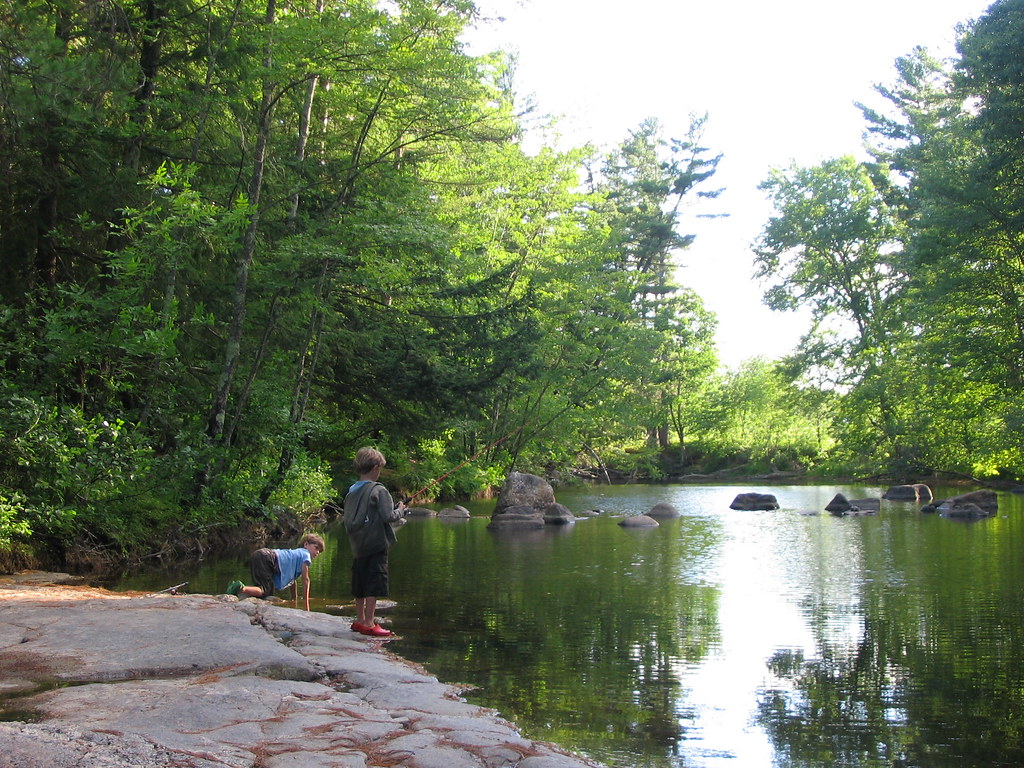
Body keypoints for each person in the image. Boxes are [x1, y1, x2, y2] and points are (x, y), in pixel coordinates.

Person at [343, 446, 406, 637]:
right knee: (374, 581)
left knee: (360, 580)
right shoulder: (379, 490)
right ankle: (370, 622)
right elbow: (389, 516)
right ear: (376, 467)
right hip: (376, 544)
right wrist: (401, 509)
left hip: (357, 545)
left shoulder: (351, 490)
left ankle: (360, 619)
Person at [225, 533, 325, 611]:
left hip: (262, 554)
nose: (317, 552)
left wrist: (294, 599)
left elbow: (293, 581)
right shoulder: (305, 554)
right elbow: (306, 579)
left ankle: (236, 587)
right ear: (306, 544)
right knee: (265, 591)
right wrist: (306, 602)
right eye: (316, 548)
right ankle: (241, 588)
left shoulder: (297, 554)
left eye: (319, 552)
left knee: (267, 592)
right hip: (267, 558)